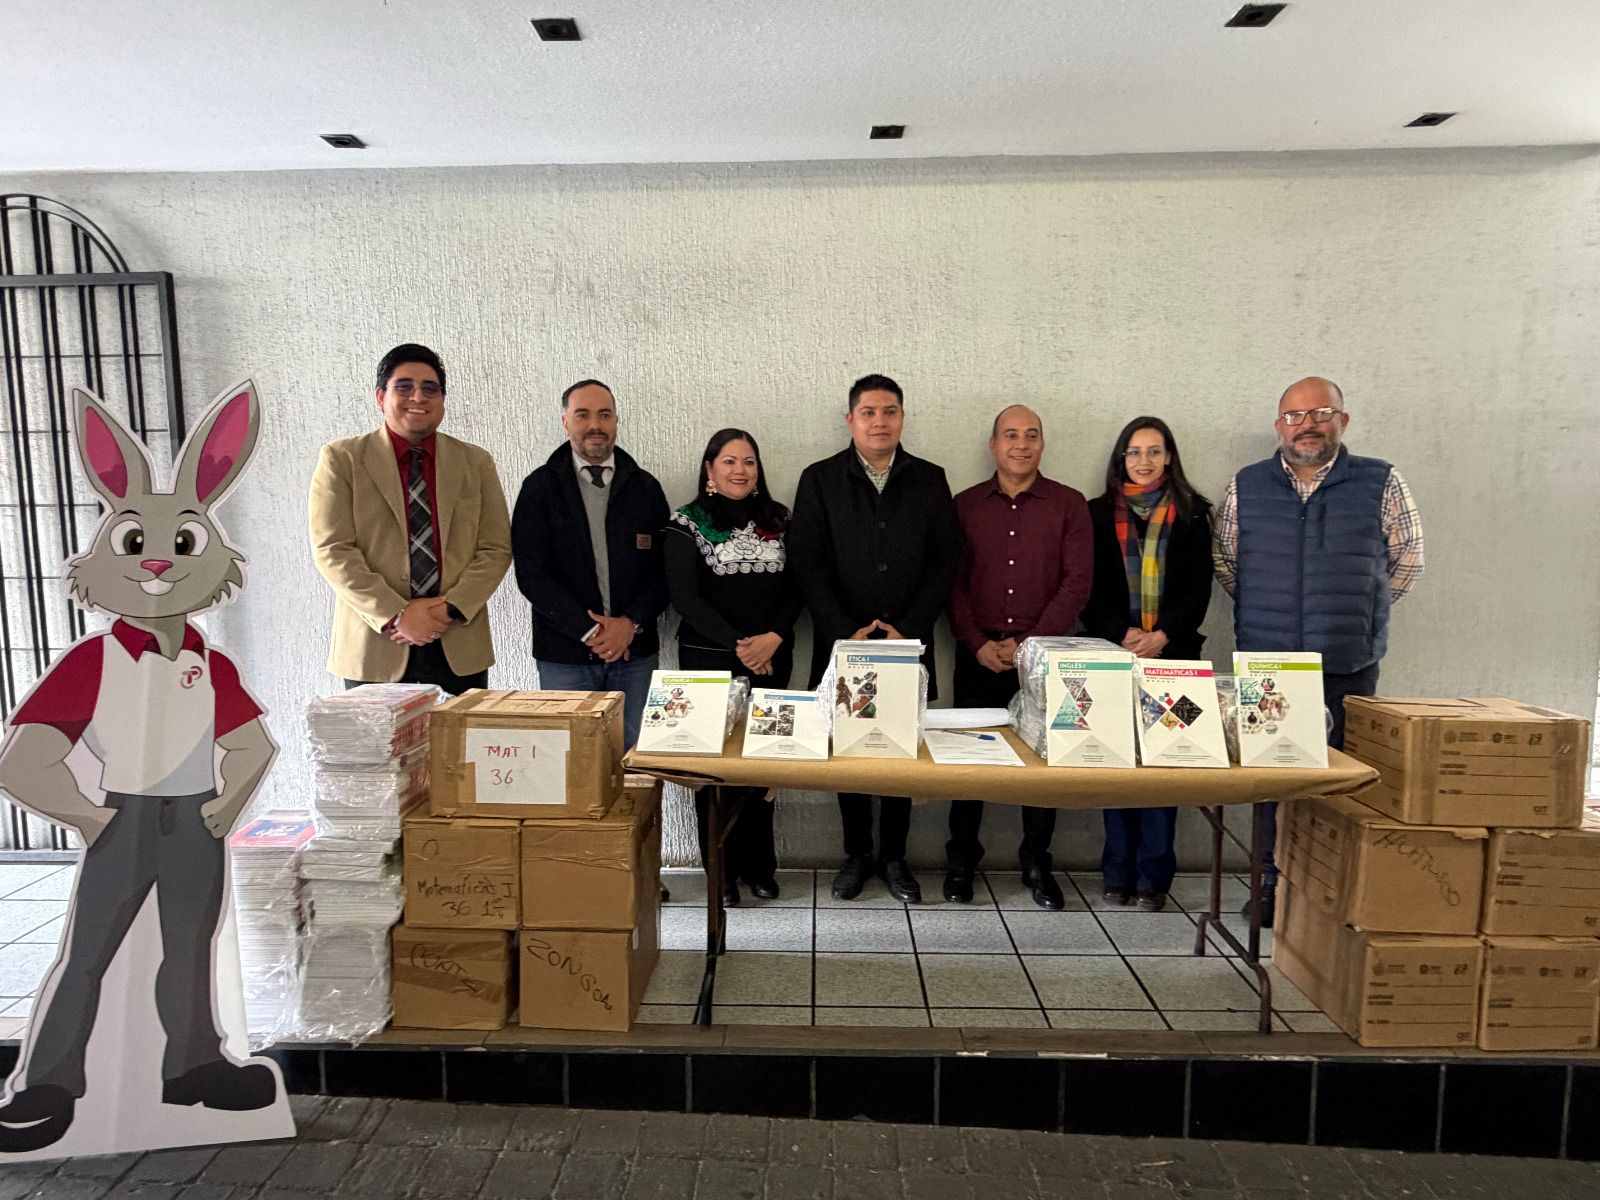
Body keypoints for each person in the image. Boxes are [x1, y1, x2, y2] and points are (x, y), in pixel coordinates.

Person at [1216, 376, 1425, 926]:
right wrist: (1274, 613)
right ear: (1279, 426)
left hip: (1346, 661)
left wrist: (1361, 609)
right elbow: (1228, 563)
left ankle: (1328, 891)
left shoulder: (1380, 481)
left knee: (1338, 780)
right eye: (1294, 416)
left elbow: (1407, 559)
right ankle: (1268, 883)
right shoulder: (1247, 485)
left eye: (1320, 413)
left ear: (1342, 420)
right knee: (1270, 781)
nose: (1306, 425)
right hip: (1269, 662)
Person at [789, 374, 961, 904]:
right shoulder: (820, 479)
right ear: (851, 420)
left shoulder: (929, 478)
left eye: (889, 412)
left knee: (900, 749)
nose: (879, 422)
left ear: (902, 418)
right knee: (851, 748)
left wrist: (909, 626)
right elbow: (808, 561)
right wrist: (846, 630)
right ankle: (857, 855)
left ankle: (895, 856)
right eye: (868, 412)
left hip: (908, 641)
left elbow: (945, 559)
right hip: (844, 641)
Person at [945, 405, 1092, 909]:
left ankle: (1036, 862)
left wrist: (1030, 645)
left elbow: (1078, 582)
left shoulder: (1069, 505)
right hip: (978, 654)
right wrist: (975, 642)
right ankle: (961, 861)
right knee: (968, 761)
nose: (1021, 444)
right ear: (994, 445)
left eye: (1032, 435)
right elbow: (952, 581)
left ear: (1042, 444)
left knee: (1042, 763)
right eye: (1011, 435)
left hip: (1045, 657)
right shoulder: (965, 505)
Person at [309, 344, 512, 695]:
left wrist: (447, 610)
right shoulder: (342, 460)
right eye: (404, 387)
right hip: (376, 646)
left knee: (459, 734)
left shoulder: (475, 462)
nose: (418, 397)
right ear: (380, 396)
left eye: (430, 389)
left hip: (457, 641)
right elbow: (333, 550)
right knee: (379, 737)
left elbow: (496, 548)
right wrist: (397, 615)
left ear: (442, 400)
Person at [665, 429, 803, 907]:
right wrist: (740, 646)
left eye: (748, 461)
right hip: (708, 662)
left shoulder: (779, 520)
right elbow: (684, 597)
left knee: (763, 764)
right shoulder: (686, 522)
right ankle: (721, 874)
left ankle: (760, 867)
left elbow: (798, 587)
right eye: (728, 461)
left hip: (772, 658)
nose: (740, 470)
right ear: (710, 469)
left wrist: (773, 637)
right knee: (713, 770)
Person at [1082, 417, 1214, 913]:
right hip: (1112, 657)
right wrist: (1122, 633)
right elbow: (1087, 587)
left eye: (1154, 451)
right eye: (1134, 452)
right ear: (1122, 458)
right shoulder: (1096, 513)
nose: (1143, 461)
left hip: (1175, 657)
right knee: (1116, 765)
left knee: (1164, 766)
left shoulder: (1193, 513)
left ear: (1169, 457)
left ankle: (1154, 877)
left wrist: (1162, 635)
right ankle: (1117, 872)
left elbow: (1199, 588)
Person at [511, 379, 669, 748]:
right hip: (565, 657)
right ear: (565, 423)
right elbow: (532, 574)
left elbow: (665, 571)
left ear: (616, 421)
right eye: (582, 415)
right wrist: (591, 631)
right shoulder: (539, 488)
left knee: (634, 763)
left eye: (604, 414)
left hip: (635, 655)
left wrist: (630, 624)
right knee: (570, 763)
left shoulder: (645, 488)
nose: (595, 424)